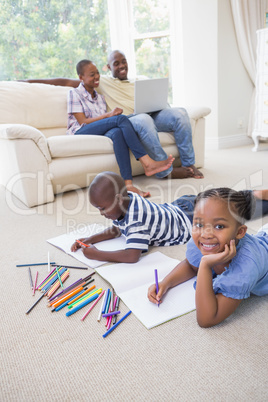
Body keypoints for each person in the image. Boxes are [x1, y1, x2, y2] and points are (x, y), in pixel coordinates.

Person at [71, 171, 268, 265]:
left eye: (102, 208)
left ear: (117, 199)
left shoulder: (137, 219)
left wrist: (97, 254)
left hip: (188, 219)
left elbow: (132, 255)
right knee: (219, 199)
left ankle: (258, 200)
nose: (101, 213)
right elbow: (118, 228)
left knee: (230, 212)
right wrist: (91, 239)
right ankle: (251, 193)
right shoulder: (127, 200)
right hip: (179, 206)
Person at [148, 187, 268, 328]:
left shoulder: (246, 265)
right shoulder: (204, 242)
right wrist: (166, 283)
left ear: (240, 232)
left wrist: (205, 265)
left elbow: (207, 319)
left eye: (219, 226)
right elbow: (191, 266)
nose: (206, 234)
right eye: (199, 224)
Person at [67, 59, 174, 197]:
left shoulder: (100, 98)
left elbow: (101, 125)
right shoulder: (74, 93)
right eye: (92, 74)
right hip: (80, 131)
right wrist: (109, 115)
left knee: (118, 132)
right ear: (81, 77)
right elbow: (82, 121)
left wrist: (109, 117)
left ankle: (128, 185)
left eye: (98, 73)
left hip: (96, 131)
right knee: (121, 119)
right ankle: (147, 162)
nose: (97, 77)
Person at [98, 50, 204, 180]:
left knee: (180, 113)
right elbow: (74, 80)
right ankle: (165, 171)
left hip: (151, 113)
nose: (121, 66)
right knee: (144, 119)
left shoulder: (138, 80)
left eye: (124, 61)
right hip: (128, 120)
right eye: (116, 63)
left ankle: (188, 164)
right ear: (109, 67)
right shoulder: (103, 82)